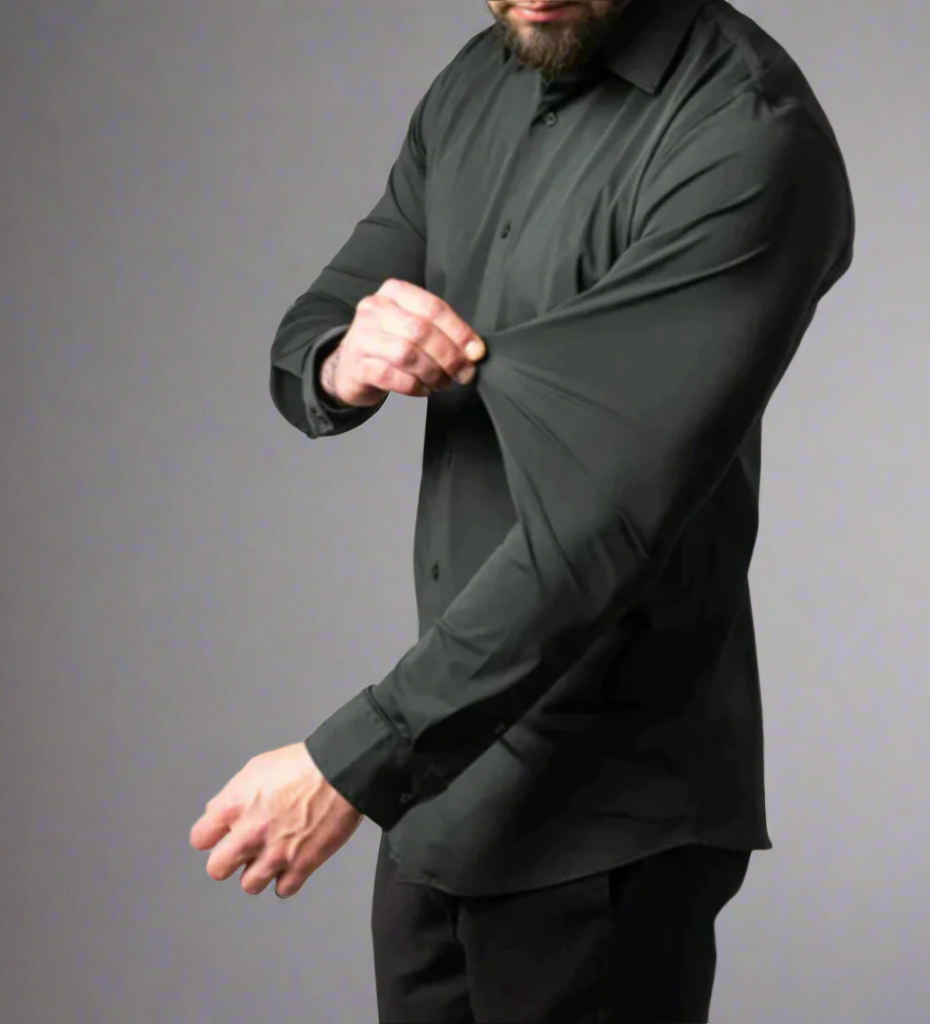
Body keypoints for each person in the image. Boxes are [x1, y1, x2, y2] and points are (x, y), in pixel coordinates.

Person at [190, 2, 855, 1021]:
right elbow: (313, 329)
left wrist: (350, 763)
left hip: (604, 829)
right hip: (438, 797)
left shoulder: (747, 132)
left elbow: (598, 529)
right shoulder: (474, 82)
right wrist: (343, 358)